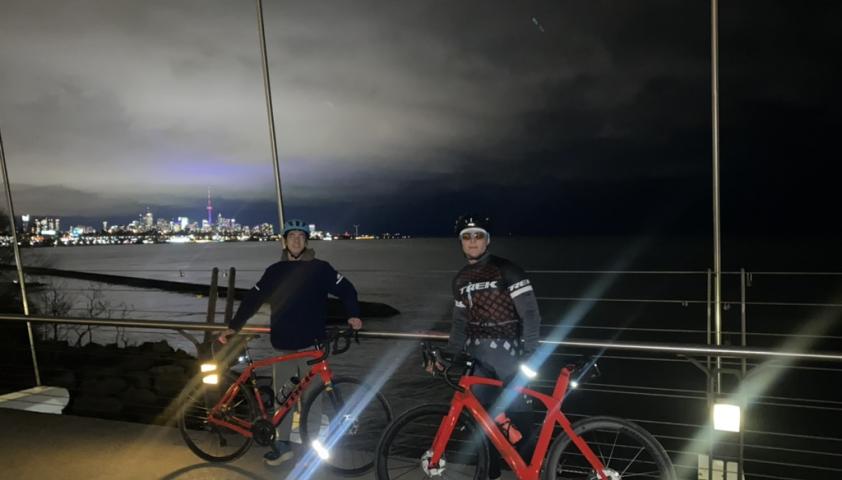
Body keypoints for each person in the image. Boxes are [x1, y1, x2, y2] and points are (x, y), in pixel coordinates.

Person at [218, 218, 363, 466]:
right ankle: (282, 445)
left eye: (300, 236)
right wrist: (234, 326)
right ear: (284, 242)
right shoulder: (274, 271)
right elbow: (253, 299)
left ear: (306, 241)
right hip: (283, 344)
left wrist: (353, 314)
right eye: (291, 236)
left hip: (312, 345)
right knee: (283, 399)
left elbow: (348, 290)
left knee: (312, 401)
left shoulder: (321, 268)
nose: (296, 240)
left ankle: (310, 447)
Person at [442, 214, 542, 479]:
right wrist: (450, 354)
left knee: (521, 424)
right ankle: (490, 474)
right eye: (466, 236)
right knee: (482, 426)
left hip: (511, 359)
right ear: (460, 242)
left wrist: (531, 355)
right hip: (478, 361)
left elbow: (531, 315)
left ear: (488, 239)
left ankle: (530, 474)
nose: (472, 241)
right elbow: (460, 322)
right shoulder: (460, 280)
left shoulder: (507, 270)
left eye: (478, 235)